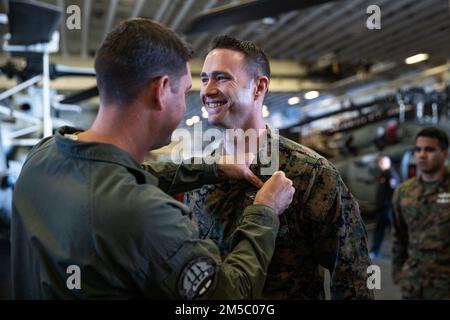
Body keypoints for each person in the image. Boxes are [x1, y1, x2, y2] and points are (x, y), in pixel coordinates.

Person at [11, 19, 296, 299]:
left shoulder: (44, 155)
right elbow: (232, 296)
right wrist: (265, 212)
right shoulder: (148, 216)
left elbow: (121, 175)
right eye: (184, 92)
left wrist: (212, 168)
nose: (190, 103)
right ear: (161, 90)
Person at [184, 35, 374, 299]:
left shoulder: (311, 173)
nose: (207, 90)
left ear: (258, 87)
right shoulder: (199, 174)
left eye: (222, 78)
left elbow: (351, 275)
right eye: (204, 79)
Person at [392, 127, 450, 299]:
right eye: (418, 149)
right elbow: (398, 237)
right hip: (413, 284)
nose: (422, 155)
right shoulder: (404, 192)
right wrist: (399, 275)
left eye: (429, 149)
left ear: (444, 153)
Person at [369, 154, 400, 259]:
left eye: (382, 162)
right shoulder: (383, 174)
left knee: (396, 232)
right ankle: (375, 251)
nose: (380, 164)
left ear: (388, 163)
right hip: (381, 208)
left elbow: (395, 191)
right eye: (380, 162)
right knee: (379, 231)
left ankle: (401, 252)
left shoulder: (391, 175)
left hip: (388, 210)